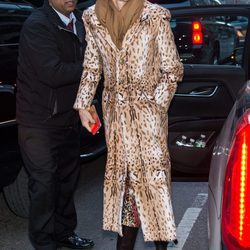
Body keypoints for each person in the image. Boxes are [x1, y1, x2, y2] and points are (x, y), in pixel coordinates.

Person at [74, 0, 183, 249]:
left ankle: (161, 245)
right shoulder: (93, 17)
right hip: (117, 120)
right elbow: (92, 66)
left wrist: (155, 106)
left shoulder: (154, 16)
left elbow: (173, 70)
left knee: (153, 187)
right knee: (125, 189)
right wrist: (82, 104)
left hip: (149, 120)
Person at [16, 0, 94, 249]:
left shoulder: (80, 21)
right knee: (44, 183)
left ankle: (64, 233)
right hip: (39, 120)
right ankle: (43, 242)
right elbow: (53, 72)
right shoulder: (38, 25)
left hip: (69, 116)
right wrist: (93, 68)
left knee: (67, 180)